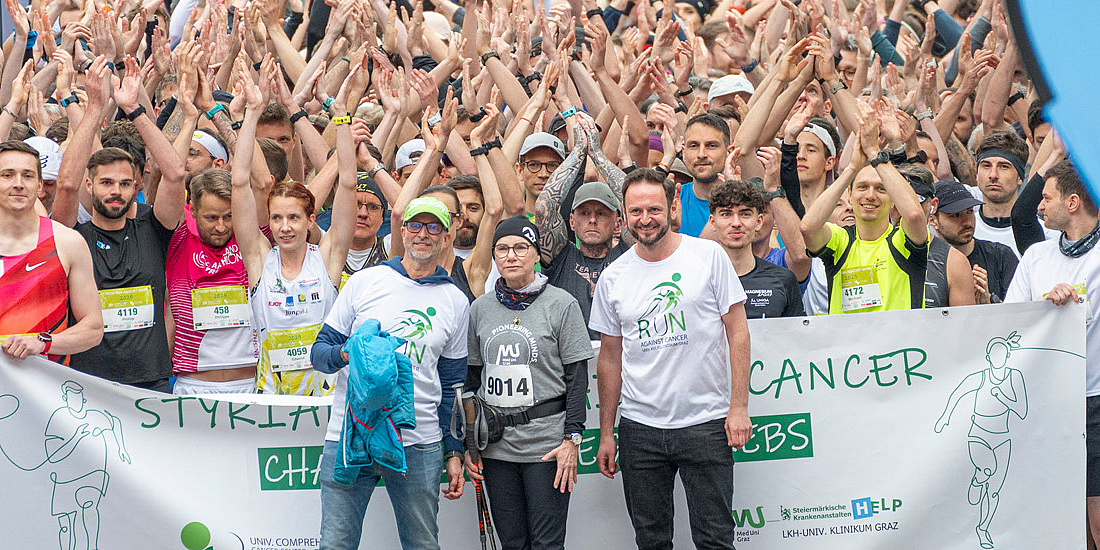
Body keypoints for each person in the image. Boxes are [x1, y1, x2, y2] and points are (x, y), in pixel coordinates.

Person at [590, 168, 751, 550]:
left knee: (715, 538)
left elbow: (738, 331)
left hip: (706, 423)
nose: (645, 219)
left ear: (672, 206)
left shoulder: (708, 256)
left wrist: (739, 407)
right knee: (651, 539)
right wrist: (607, 432)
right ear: (624, 216)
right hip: (640, 428)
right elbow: (609, 359)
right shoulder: (613, 277)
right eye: (636, 211)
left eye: (654, 209)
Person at [311, 195, 469, 550]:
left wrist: (454, 450)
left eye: (433, 227)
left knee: (422, 544)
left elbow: (453, 388)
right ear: (401, 231)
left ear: (446, 238)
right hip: (350, 435)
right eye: (415, 225)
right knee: (335, 543)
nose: (422, 234)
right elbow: (319, 354)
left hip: (418, 440)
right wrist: (346, 352)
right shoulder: (365, 282)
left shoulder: (455, 300)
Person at [52, 58, 187, 391]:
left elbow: (175, 173)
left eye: (125, 184)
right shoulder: (72, 238)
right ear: (90, 186)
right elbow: (66, 183)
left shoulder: (153, 229)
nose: (116, 191)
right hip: (89, 383)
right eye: (106, 182)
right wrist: (94, 107)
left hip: (150, 382)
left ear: (137, 187)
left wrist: (134, 110)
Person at [464, 216, 593, 550]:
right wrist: (469, 443)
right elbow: (472, 379)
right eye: (503, 249)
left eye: (521, 247)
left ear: (536, 255)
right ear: (494, 257)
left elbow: (577, 379)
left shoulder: (562, 304)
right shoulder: (480, 309)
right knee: (513, 542)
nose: (511, 256)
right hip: (496, 447)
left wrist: (572, 440)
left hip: (546, 444)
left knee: (546, 543)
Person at [233, 57, 356, 395]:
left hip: (326, 404)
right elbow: (240, 182)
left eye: (293, 218)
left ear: (310, 220)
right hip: (273, 405)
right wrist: (252, 113)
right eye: (276, 218)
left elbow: (347, 182)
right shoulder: (260, 260)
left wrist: (341, 114)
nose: (284, 227)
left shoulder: (327, 257)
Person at [1003, 160, 1100, 543]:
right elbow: (1010, 324)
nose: (1039, 207)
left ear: (1073, 202)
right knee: (1057, 518)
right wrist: (1046, 306)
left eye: (1046, 198)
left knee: (1096, 517)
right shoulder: (1036, 257)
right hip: (1044, 406)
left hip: (1095, 401)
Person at [800, 102, 930, 315]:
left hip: (898, 348)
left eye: (881, 189)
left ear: (892, 198)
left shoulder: (901, 241)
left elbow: (915, 215)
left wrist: (875, 154)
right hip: (849, 348)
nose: (870, 195)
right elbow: (807, 228)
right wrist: (852, 167)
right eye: (862, 187)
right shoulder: (841, 241)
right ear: (850, 196)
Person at [0, 140, 102, 362]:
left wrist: (42, 342)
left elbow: (93, 328)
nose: (18, 183)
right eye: (7, 175)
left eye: (27, 176)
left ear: (39, 185)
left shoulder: (68, 242)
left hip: (45, 388)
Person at [536, 114, 631, 336]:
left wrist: (597, 155)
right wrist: (578, 151)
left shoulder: (629, 255)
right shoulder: (562, 256)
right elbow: (543, 209)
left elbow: (635, 201)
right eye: (584, 213)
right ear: (572, 221)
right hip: (570, 363)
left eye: (602, 213)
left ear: (618, 223)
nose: (592, 219)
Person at [166, 169, 259, 395]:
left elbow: (263, 182)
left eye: (228, 216)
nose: (221, 226)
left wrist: (234, 133)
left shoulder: (252, 240)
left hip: (248, 383)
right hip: (194, 386)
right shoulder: (176, 237)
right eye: (211, 218)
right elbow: (171, 174)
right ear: (193, 210)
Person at [709, 179, 804, 318]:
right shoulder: (698, 280)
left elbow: (797, 335)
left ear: (758, 221)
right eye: (726, 214)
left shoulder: (783, 280)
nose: (736, 223)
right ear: (712, 222)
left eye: (745, 214)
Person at [931, 180, 1018, 304]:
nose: (966, 222)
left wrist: (989, 301)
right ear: (933, 221)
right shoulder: (927, 262)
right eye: (955, 215)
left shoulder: (1001, 256)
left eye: (970, 212)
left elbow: (1020, 312)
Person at [971, 130, 1054, 257]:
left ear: (1020, 177)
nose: (993, 175)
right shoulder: (964, 231)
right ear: (976, 174)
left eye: (1004, 167)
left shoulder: (1048, 234)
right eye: (986, 166)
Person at [680, 113, 733, 237]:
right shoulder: (671, 202)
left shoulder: (748, 204)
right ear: (684, 152)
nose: (701, 154)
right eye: (693, 146)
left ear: (728, 152)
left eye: (711, 146)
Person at [339, 173, 390, 288]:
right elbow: (305, 213)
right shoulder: (328, 247)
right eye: (356, 204)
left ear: (383, 218)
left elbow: (404, 212)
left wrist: (370, 164)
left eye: (373, 207)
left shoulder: (389, 248)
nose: (363, 213)